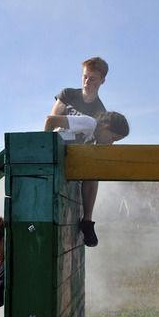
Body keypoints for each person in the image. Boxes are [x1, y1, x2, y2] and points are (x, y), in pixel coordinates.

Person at [49, 57, 113, 247]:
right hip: (58, 146)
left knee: (93, 170)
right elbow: (52, 119)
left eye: (93, 79)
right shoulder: (68, 94)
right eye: (85, 77)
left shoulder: (101, 112)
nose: (87, 82)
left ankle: (87, 221)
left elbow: (102, 144)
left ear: (102, 81)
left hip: (79, 154)